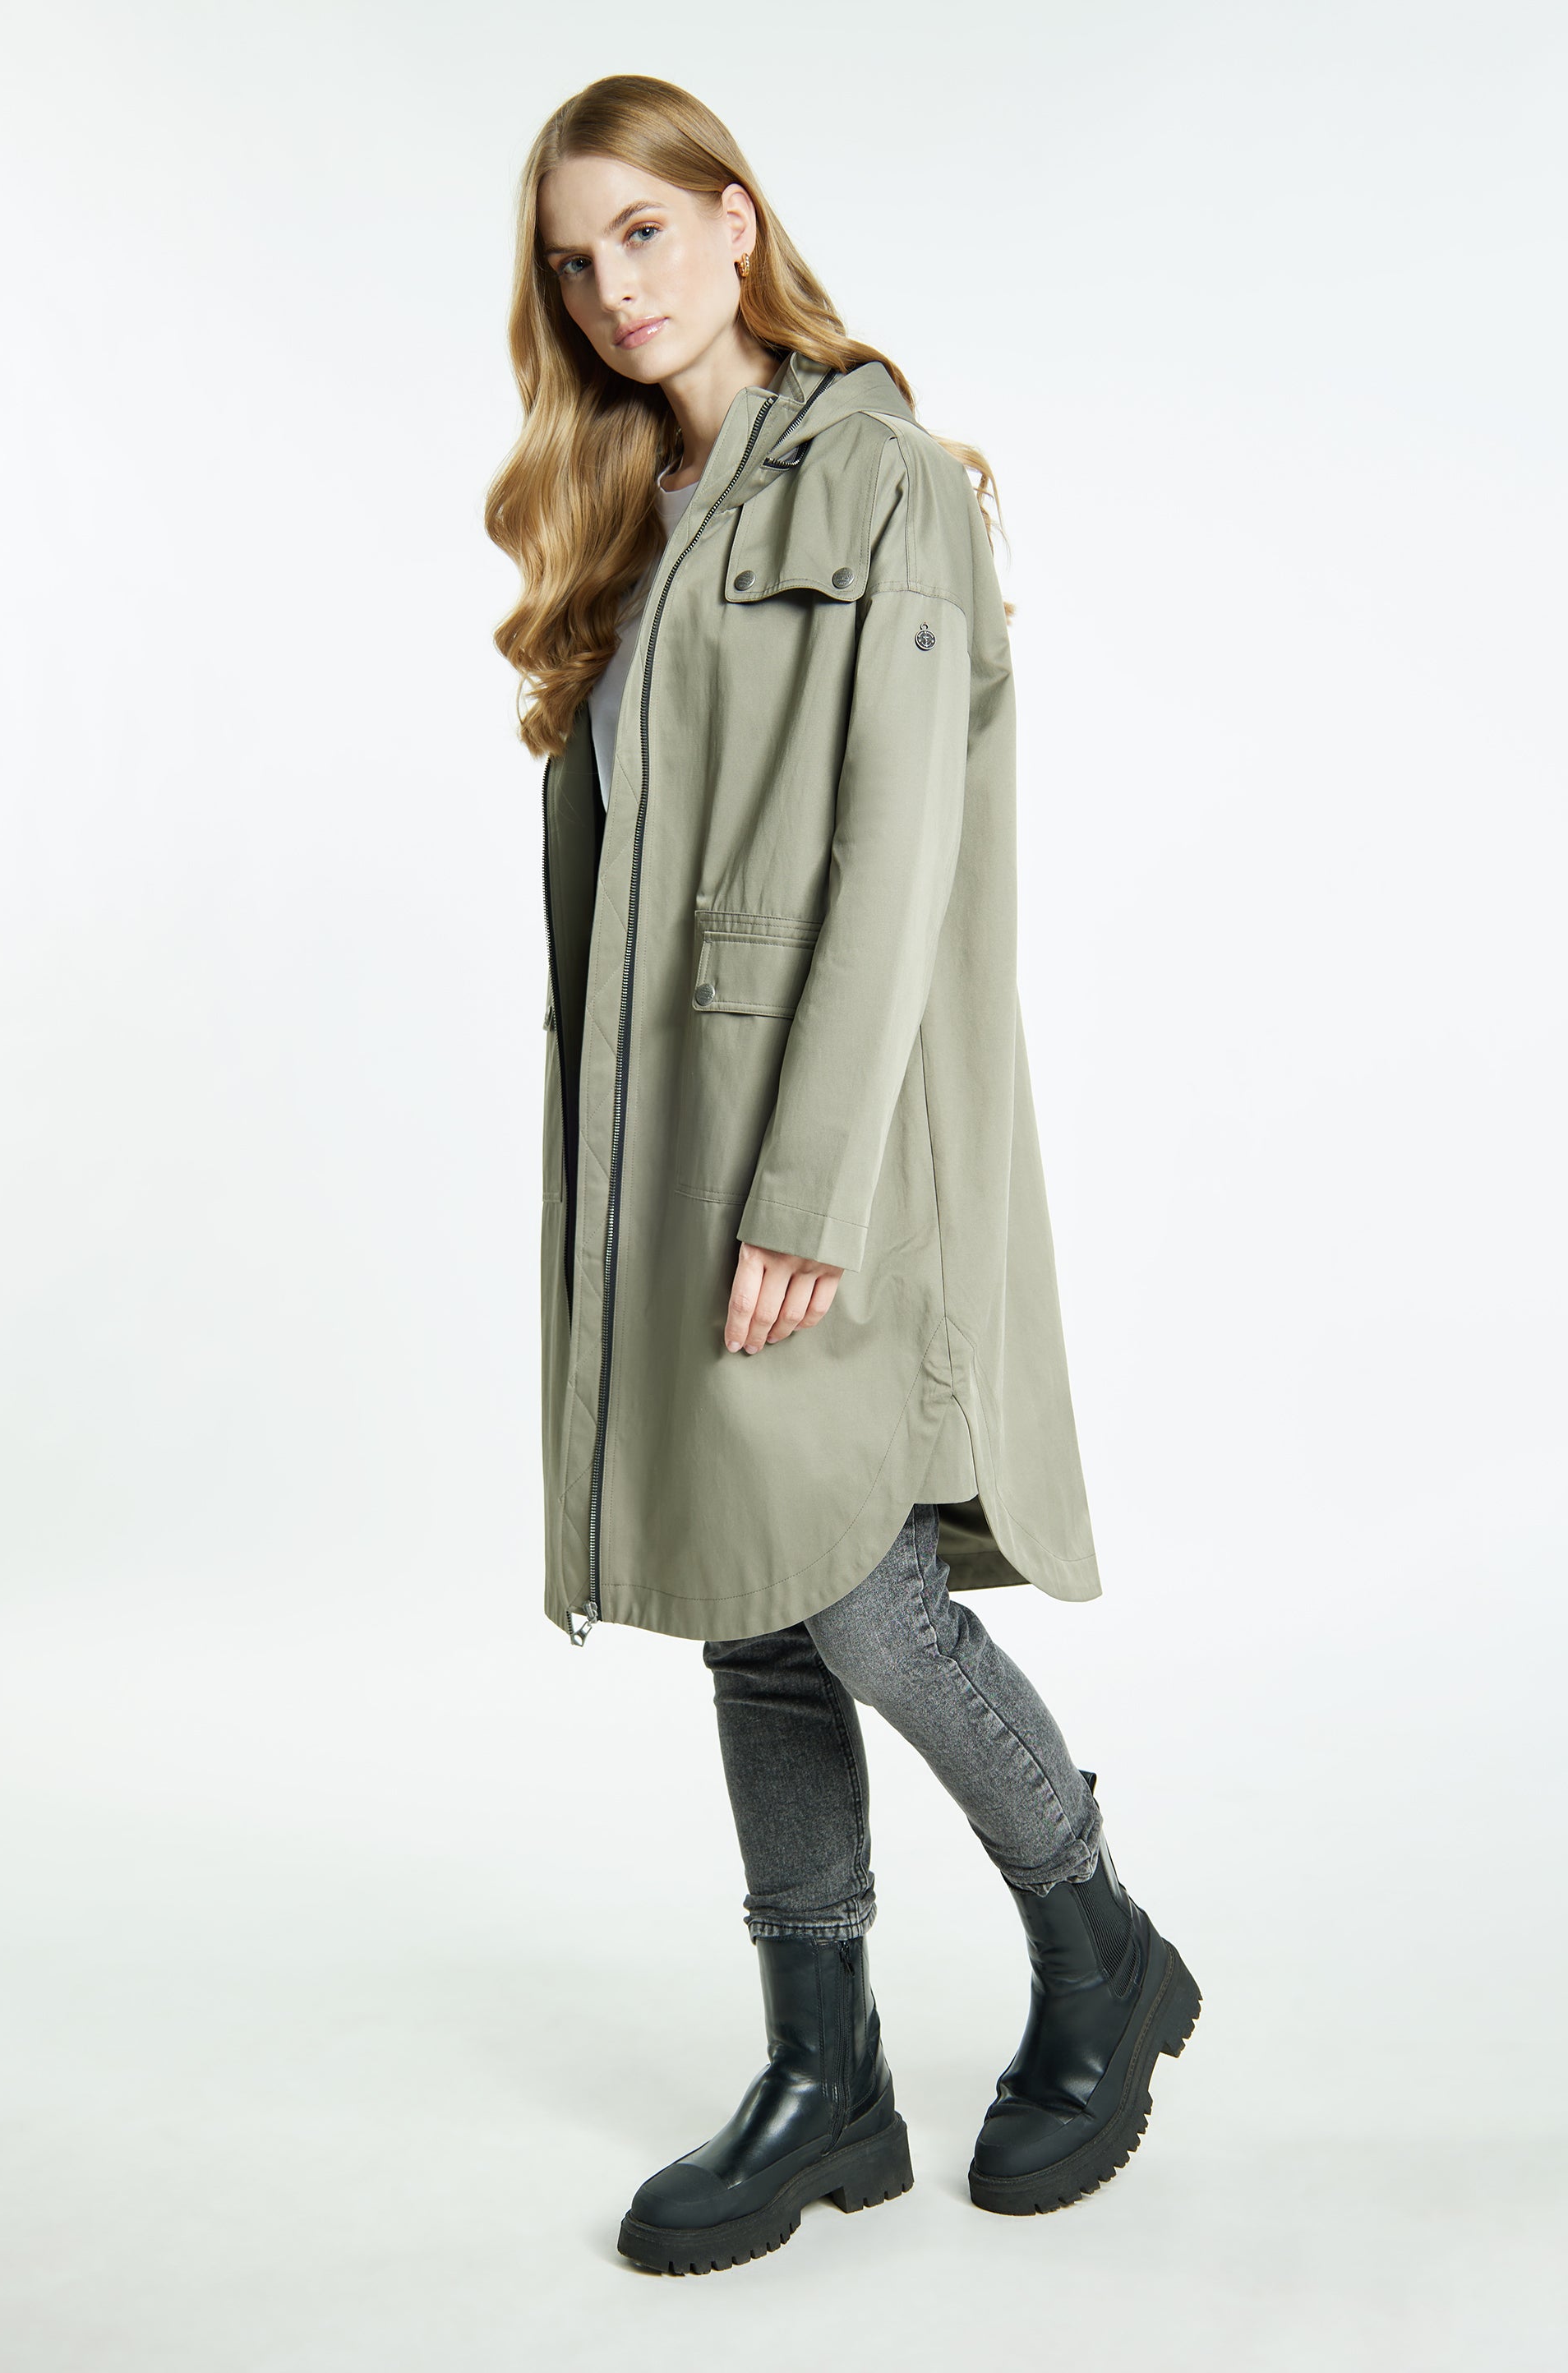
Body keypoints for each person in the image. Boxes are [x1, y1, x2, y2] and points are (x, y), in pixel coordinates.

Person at [486, 73, 1200, 2275]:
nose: (615, 289)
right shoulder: (646, 507)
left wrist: (806, 1192)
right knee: (751, 1599)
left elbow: (895, 862)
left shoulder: (875, 476)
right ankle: (827, 2076)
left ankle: (1100, 1946)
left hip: (827, 1142)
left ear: (733, 219)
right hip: (667, 1143)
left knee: (857, 1590)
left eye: (643, 232)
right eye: (574, 262)